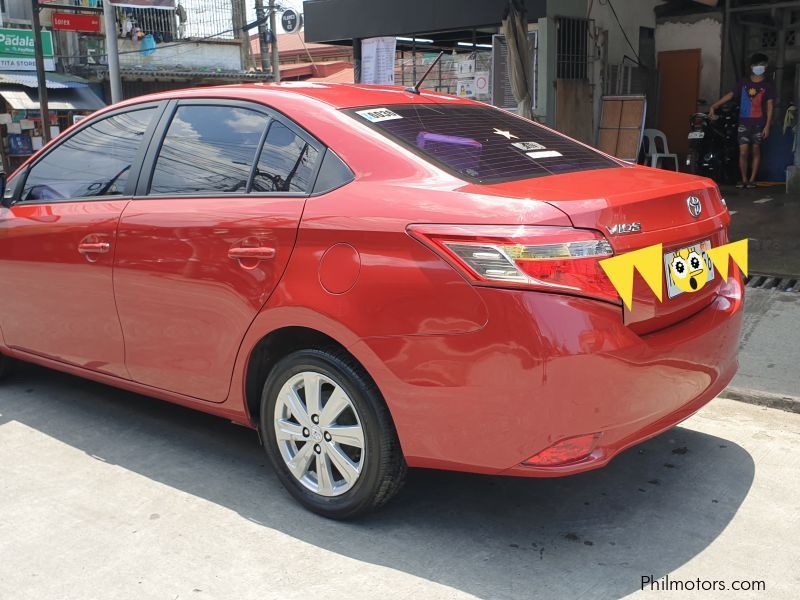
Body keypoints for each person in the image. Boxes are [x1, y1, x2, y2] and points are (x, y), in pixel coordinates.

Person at [709, 53, 775, 188]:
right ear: (751, 67)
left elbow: (770, 105)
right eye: (757, 65)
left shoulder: (768, 85)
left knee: (756, 149)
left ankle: (751, 180)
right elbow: (731, 94)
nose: (759, 67)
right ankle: (744, 179)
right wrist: (715, 105)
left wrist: (767, 125)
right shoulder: (744, 82)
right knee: (743, 151)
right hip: (744, 122)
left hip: (759, 123)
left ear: (766, 66)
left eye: (762, 65)